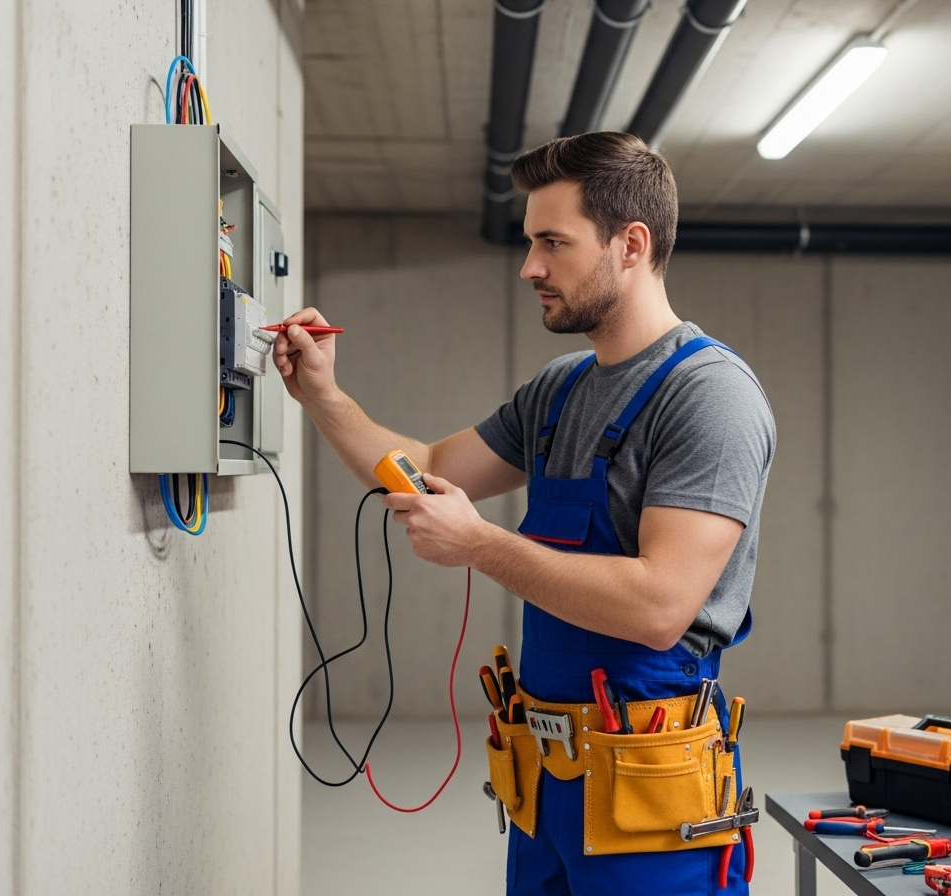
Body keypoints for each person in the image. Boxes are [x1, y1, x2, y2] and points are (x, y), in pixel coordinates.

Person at [274, 131, 776, 896]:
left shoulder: (709, 397)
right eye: (529, 242)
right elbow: (430, 471)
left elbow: (659, 606)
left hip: (650, 788)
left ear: (631, 244)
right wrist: (323, 396)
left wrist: (481, 547)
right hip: (546, 784)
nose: (529, 267)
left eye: (552, 242)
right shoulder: (562, 388)